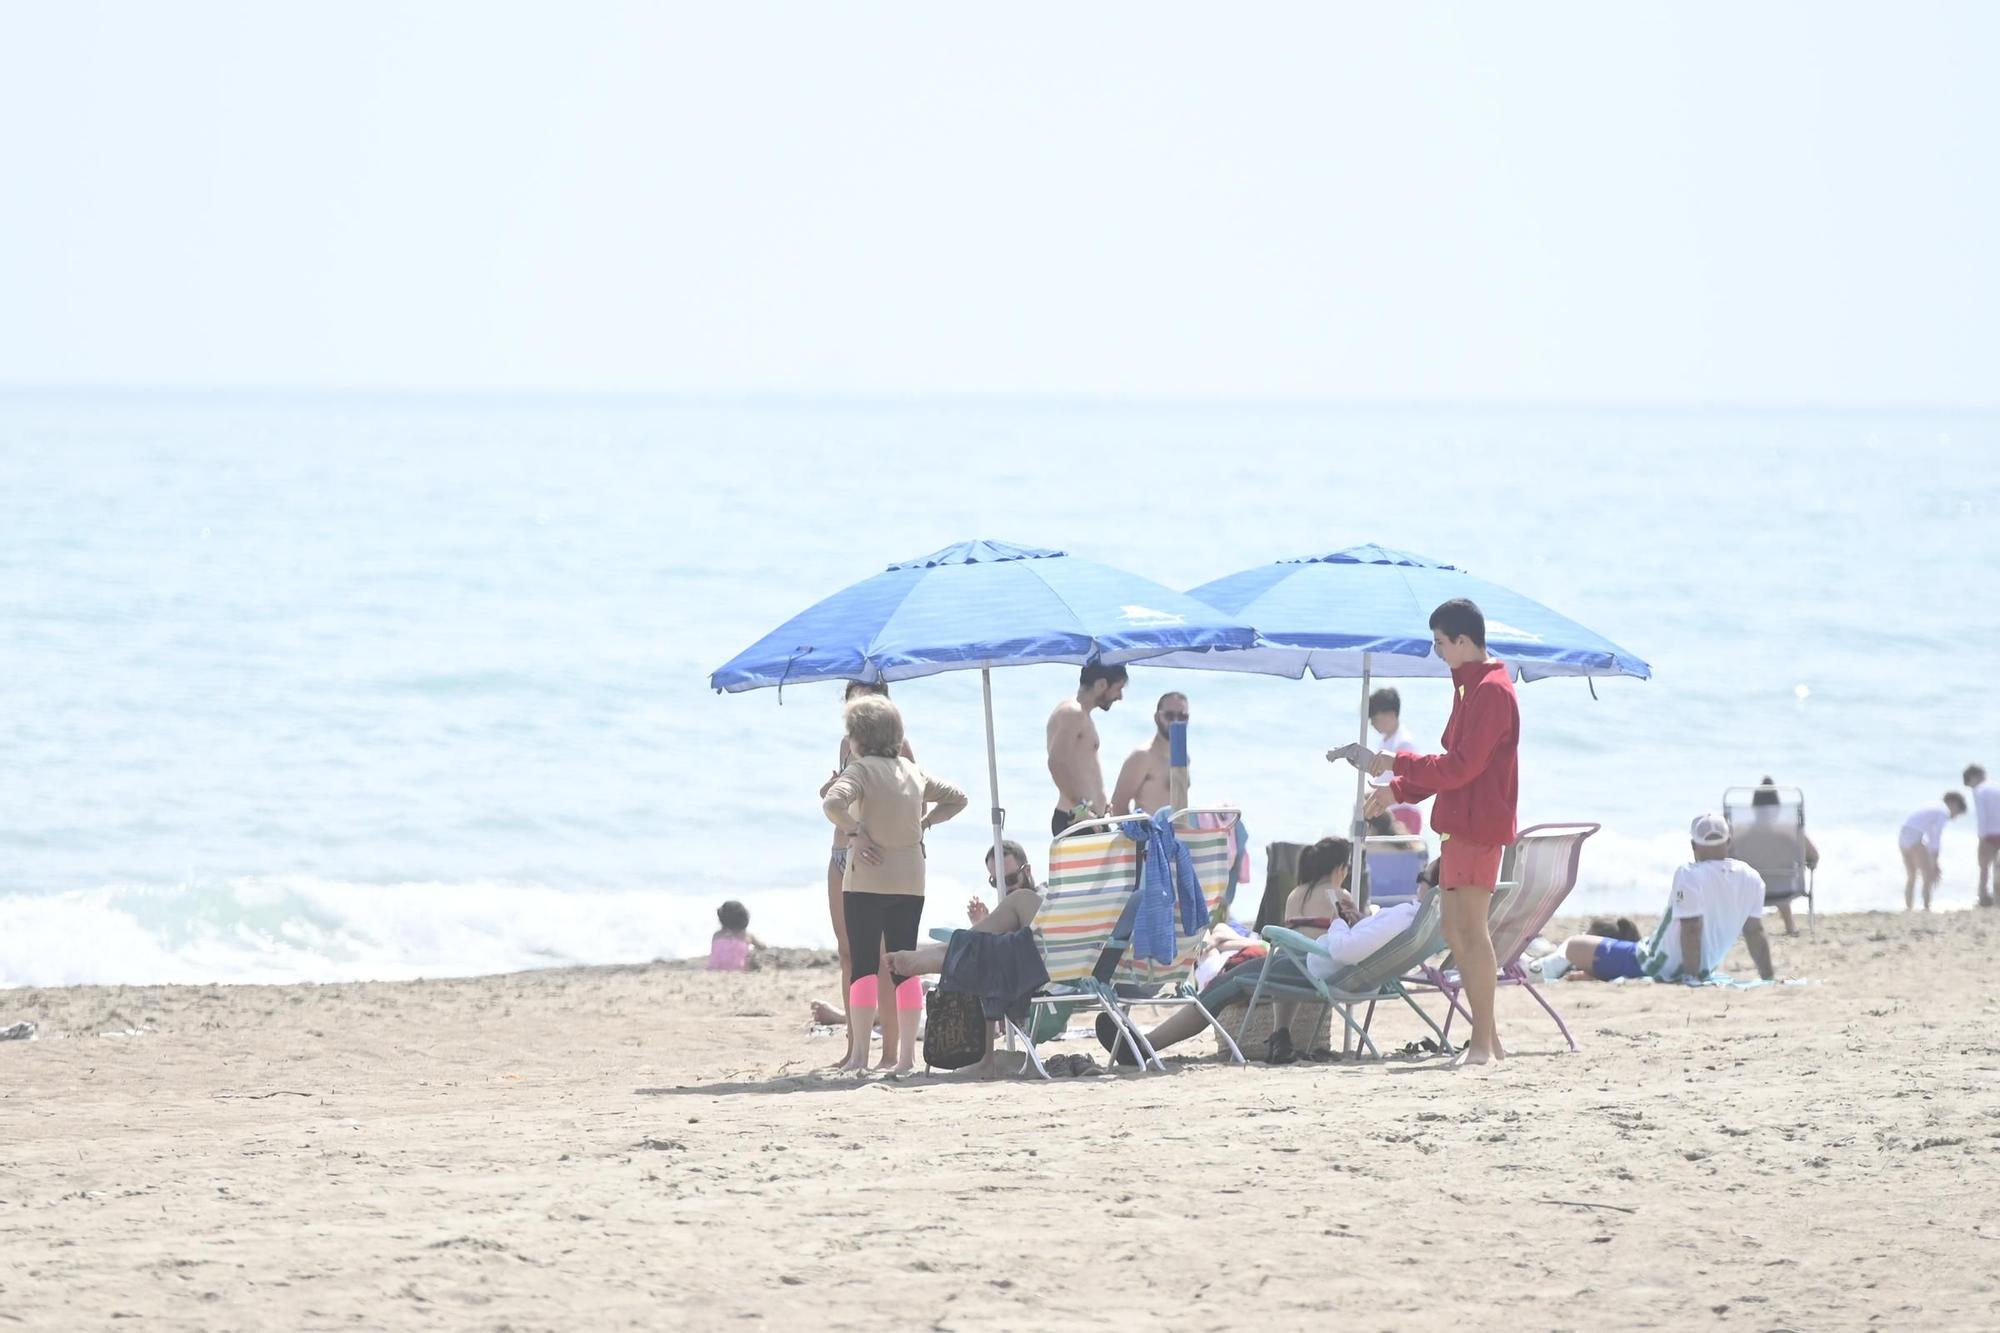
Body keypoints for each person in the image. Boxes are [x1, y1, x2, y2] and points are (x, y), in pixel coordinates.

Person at [1365, 598, 1518, 1069]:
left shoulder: (1492, 690)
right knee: (1454, 928)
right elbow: (1453, 771)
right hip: (1459, 822)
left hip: (1479, 825)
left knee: (1471, 929)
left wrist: (1397, 768)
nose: (1438, 653)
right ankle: (1488, 1039)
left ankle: (1482, 1045)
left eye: (1440, 644)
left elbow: (1462, 766)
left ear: (1463, 641)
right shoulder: (1469, 688)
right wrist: (1399, 790)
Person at [1094, 837, 1384, 1065]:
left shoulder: (1297, 893)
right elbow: (1356, 935)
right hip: (1307, 967)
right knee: (1225, 990)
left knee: (1215, 994)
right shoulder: (1337, 894)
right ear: (1338, 868)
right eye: (1345, 868)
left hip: (1295, 965)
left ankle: (1148, 1045)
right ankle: (1277, 1037)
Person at [822, 696, 967, 1073]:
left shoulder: (860, 770)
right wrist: (926, 823)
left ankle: (859, 1057)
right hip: (910, 881)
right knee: (904, 965)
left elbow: (832, 803)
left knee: (865, 967)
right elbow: (958, 799)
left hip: (866, 880)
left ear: (859, 737)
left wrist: (855, 833)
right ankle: (905, 1059)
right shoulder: (913, 772)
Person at [1541, 813, 1774, 984]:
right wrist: (1768, 978)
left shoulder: (1690, 874)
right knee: (1596, 951)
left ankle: (1536, 971)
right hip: (1703, 967)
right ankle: (1586, 975)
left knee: (1574, 945)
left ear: (1694, 845)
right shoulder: (1751, 877)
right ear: (1728, 842)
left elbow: (1692, 928)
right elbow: (1755, 933)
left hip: (1656, 963)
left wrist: (1691, 979)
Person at [811, 681, 917, 1051]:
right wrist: (835, 789)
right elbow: (840, 803)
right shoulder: (846, 746)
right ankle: (854, 1046)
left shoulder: (899, 746)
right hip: (841, 853)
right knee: (849, 954)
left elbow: (912, 804)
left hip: (877, 857)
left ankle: (889, 1050)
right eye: (851, 700)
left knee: (884, 958)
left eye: (864, 700)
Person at [1046, 663, 1127, 835]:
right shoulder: (1072, 713)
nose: (1120, 696)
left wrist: (1101, 801)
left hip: (1091, 819)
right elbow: (1056, 763)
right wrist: (1081, 809)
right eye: (1118, 688)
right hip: (1077, 819)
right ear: (1101, 685)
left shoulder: (1083, 715)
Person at [1749, 777, 1819, 936]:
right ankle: (1789, 924)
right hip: (1783, 890)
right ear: (1778, 808)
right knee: (1780, 873)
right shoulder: (1789, 831)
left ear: (1753, 808)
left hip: (1749, 890)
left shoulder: (1741, 833)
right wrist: (1807, 862)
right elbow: (1814, 856)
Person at [1111, 691, 1189, 816]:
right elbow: (1118, 806)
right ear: (1157, 718)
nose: (1176, 721)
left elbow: (1180, 808)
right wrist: (1135, 833)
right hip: (1149, 833)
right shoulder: (1143, 756)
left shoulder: (1183, 756)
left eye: (1182, 716)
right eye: (1169, 716)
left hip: (1176, 834)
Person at [1899, 792, 1967, 911]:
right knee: (1928, 874)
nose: (1954, 817)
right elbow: (1935, 838)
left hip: (1903, 834)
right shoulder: (1943, 811)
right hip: (1914, 836)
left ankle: (1908, 907)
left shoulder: (1932, 805)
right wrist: (1935, 864)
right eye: (1957, 813)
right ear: (1954, 803)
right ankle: (1926, 907)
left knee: (1911, 875)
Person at [1364, 686, 1417, 789]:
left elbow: (1406, 785)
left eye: (1374, 719)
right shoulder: (1386, 740)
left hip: (1402, 804)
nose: (1372, 724)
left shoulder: (1404, 742)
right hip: (1387, 802)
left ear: (1390, 715)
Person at [1966, 765, 1999, 908]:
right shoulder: (1997, 786)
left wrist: (1981, 835)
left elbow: (1981, 815)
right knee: (1998, 867)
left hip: (1989, 833)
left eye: (1969, 783)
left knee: (1984, 867)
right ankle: (1998, 899)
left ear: (1974, 777)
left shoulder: (1979, 790)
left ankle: (1983, 898)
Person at [708, 900, 765, 971]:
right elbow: (763, 947)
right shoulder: (746, 936)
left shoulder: (716, 935)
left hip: (714, 968)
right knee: (752, 955)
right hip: (739, 968)